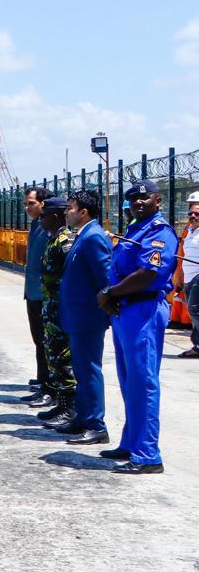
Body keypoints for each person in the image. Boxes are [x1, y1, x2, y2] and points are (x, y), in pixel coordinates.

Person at [97, 180, 178, 473]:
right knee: (129, 380)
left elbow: (146, 274)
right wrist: (112, 296)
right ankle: (131, 442)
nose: (138, 203)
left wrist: (111, 293)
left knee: (143, 382)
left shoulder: (159, 232)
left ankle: (148, 455)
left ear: (157, 200)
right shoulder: (135, 229)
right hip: (126, 310)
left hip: (144, 309)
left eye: (144, 198)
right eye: (133, 199)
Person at [57, 189, 113, 445]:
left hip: (88, 317)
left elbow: (105, 279)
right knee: (80, 369)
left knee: (89, 369)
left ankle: (95, 424)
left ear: (83, 212)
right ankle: (82, 417)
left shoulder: (93, 237)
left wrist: (107, 310)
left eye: (70, 208)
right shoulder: (83, 235)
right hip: (77, 316)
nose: (66, 212)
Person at [35, 198, 78, 427]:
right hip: (50, 308)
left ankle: (70, 408)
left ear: (55, 216)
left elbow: (72, 277)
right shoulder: (53, 240)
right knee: (53, 355)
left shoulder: (66, 241)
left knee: (63, 358)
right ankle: (61, 404)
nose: (40, 219)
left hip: (61, 309)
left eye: (44, 215)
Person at [21, 186, 53, 404]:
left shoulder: (48, 227)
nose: (27, 208)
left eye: (31, 203)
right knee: (38, 339)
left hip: (43, 293)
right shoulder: (36, 225)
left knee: (46, 341)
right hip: (32, 291)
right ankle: (43, 378)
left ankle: (49, 384)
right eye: (26, 204)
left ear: (43, 204)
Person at [178, 194, 199, 359]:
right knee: (193, 312)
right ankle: (197, 346)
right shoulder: (190, 231)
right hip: (188, 278)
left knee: (194, 310)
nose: (193, 216)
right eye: (191, 213)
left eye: (197, 214)